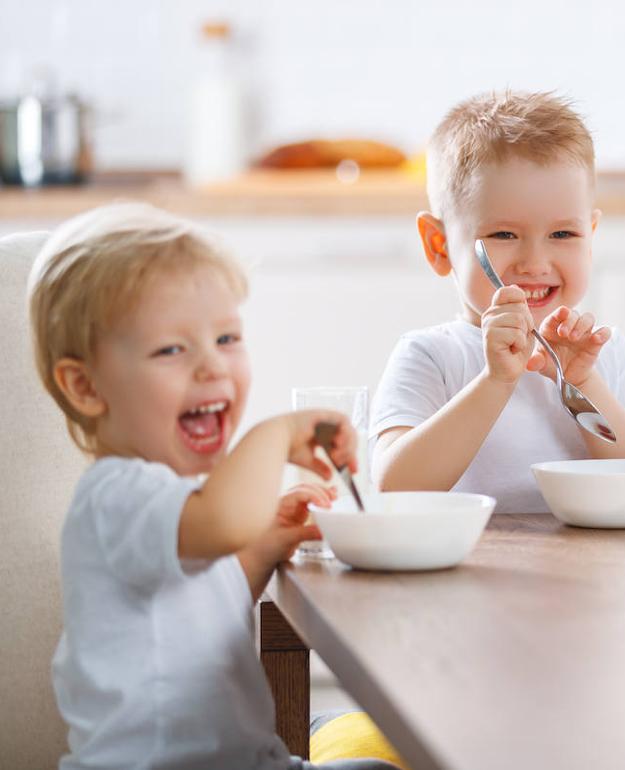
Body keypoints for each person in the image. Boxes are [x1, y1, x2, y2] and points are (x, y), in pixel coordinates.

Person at [28, 202, 403, 769]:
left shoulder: (180, 511)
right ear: (85, 386)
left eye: (227, 338)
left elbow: (201, 596)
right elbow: (223, 521)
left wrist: (265, 543)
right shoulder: (115, 495)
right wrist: (275, 435)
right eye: (172, 350)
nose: (213, 368)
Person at [372, 90, 625, 511]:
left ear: (591, 236)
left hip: (590, 572)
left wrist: (583, 383)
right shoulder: (431, 355)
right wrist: (496, 381)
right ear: (439, 245)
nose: (535, 263)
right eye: (504, 235)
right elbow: (396, 487)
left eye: (563, 234)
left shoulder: (609, 354)